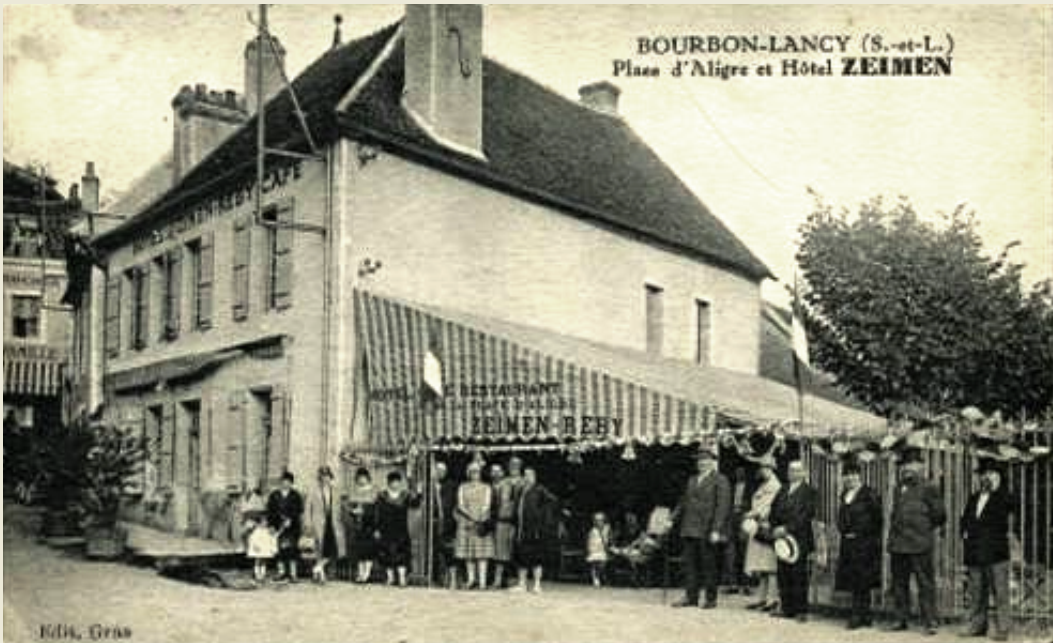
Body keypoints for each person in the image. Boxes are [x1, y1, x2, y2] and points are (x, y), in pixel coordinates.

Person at [887, 458, 946, 636]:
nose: (907, 468)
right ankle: (900, 618)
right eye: (905, 466)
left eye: (912, 465)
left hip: (920, 544)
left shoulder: (929, 487)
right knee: (899, 584)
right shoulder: (899, 488)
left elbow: (940, 515)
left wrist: (923, 530)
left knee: (925, 584)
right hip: (898, 544)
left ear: (921, 467)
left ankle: (930, 621)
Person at [671, 446, 731, 609]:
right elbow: (683, 502)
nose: (702, 463)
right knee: (690, 565)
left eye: (705, 460)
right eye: (699, 461)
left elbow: (722, 507)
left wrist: (716, 529)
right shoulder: (692, 480)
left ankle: (710, 599)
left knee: (708, 565)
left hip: (707, 529)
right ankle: (691, 597)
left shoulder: (720, 480)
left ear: (712, 462)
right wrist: (672, 519)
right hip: (689, 527)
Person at [960, 462, 1012, 641]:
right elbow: (965, 520)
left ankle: (1003, 629)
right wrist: (964, 533)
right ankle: (977, 626)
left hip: (996, 554)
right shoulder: (973, 498)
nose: (986, 478)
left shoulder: (1003, 497)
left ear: (998, 477)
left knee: (1000, 592)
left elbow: (1009, 507)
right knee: (977, 592)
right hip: (975, 553)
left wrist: (999, 489)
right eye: (983, 474)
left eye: (990, 474)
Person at [835, 461, 883, 629]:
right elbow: (841, 516)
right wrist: (843, 529)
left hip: (865, 544)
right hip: (848, 542)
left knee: (863, 580)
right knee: (854, 579)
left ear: (859, 476)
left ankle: (860, 614)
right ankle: (861, 613)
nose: (850, 478)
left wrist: (864, 534)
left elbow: (878, 519)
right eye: (847, 475)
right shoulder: (844, 494)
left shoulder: (869, 493)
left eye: (853, 474)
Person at [770, 460, 818, 622]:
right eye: (791, 470)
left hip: (799, 537)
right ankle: (787, 607)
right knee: (783, 572)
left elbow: (806, 515)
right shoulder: (782, 490)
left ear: (804, 473)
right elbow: (773, 510)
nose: (794, 473)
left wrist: (788, 528)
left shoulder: (809, 491)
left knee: (799, 574)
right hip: (781, 538)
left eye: (798, 470)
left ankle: (801, 610)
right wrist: (775, 527)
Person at [512, 467, 559, 593]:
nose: (527, 477)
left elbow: (553, 501)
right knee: (521, 557)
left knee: (536, 558)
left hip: (535, 530)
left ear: (534, 477)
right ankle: (522, 584)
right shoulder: (520, 490)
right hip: (521, 530)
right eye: (525, 475)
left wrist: (542, 519)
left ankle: (537, 585)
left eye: (530, 475)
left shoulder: (540, 490)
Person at [744, 457, 781, 612]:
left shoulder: (774, 486)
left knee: (770, 565)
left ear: (772, 468)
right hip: (758, 527)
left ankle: (772, 599)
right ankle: (762, 598)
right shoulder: (765, 485)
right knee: (761, 566)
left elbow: (769, 507)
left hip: (766, 527)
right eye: (762, 468)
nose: (763, 470)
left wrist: (753, 514)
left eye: (766, 468)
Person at [374, 470, 422, 587]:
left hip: (401, 529)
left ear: (400, 483)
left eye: (397, 482)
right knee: (386, 554)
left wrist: (420, 493)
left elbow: (415, 504)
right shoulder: (382, 496)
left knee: (402, 554)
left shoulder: (405, 495)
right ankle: (390, 578)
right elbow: (377, 513)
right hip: (385, 529)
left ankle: (401, 579)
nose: (395, 484)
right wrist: (377, 528)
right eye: (392, 482)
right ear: (388, 483)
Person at [455, 462, 495, 589]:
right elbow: (460, 504)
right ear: (468, 473)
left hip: (481, 522)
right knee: (468, 553)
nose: (474, 474)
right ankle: (471, 579)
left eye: (477, 471)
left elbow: (487, 505)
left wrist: (479, 517)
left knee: (482, 553)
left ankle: (482, 581)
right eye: (472, 471)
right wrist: (470, 516)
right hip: (466, 520)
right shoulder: (463, 487)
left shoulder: (486, 487)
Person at [306, 465, 345, 584]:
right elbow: (308, 508)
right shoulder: (313, 491)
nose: (325, 479)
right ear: (319, 478)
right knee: (320, 549)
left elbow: (341, 507)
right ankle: (320, 574)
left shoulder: (336, 491)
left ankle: (318, 569)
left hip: (333, 523)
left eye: (327, 476)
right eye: (322, 476)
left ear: (330, 477)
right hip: (319, 522)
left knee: (332, 548)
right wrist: (308, 523)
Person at [267, 470, 304, 582]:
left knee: (292, 550)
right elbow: (270, 511)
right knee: (279, 550)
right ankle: (281, 572)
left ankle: (293, 574)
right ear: (280, 482)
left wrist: (291, 519)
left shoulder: (296, 495)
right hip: (279, 527)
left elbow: (299, 510)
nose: (285, 483)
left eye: (288, 481)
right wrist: (272, 526)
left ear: (291, 483)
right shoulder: (274, 495)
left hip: (292, 527)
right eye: (283, 481)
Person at [491, 459, 523, 589]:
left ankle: (518, 581)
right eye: (511, 465)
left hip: (518, 522)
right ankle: (497, 581)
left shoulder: (524, 482)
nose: (513, 467)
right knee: (500, 552)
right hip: (502, 521)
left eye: (516, 465)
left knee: (517, 551)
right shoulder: (502, 483)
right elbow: (495, 501)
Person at [344, 467, 377, 583]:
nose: (361, 480)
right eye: (359, 478)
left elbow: (376, 509)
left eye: (363, 478)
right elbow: (348, 506)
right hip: (357, 524)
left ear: (368, 478)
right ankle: (360, 573)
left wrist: (366, 511)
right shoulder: (354, 491)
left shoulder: (373, 491)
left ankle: (366, 574)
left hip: (369, 524)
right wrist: (352, 511)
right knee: (358, 549)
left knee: (368, 549)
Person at [430, 461, 458, 589]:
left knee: (449, 550)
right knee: (434, 551)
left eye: (442, 471)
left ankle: (452, 579)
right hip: (433, 522)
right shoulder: (429, 485)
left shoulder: (451, 485)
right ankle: (438, 578)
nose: (439, 473)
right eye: (437, 470)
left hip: (448, 522)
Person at [723, 466, 751, 594]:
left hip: (744, 518)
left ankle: (746, 585)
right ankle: (732, 583)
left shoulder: (751, 488)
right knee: (730, 553)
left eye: (741, 472)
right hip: (731, 519)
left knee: (744, 552)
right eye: (737, 472)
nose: (739, 474)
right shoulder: (731, 487)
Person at [243, 487, 274, 581]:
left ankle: (262, 574)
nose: (257, 500)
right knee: (257, 556)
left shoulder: (265, 510)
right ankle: (257, 573)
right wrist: (253, 525)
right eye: (255, 497)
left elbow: (267, 521)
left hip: (263, 535)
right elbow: (248, 522)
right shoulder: (250, 509)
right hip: (255, 534)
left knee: (263, 556)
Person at [586, 511, 612, 587]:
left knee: (602, 565)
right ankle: (595, 579)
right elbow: (589, 541)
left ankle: (600, 577)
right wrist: (589, 550)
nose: (599, 522)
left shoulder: (607, 528)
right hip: (594, 550)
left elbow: (609, 539)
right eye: (597, 520)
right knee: (594, 565)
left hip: (603, 550)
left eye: (600, 520)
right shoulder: (592, 530)